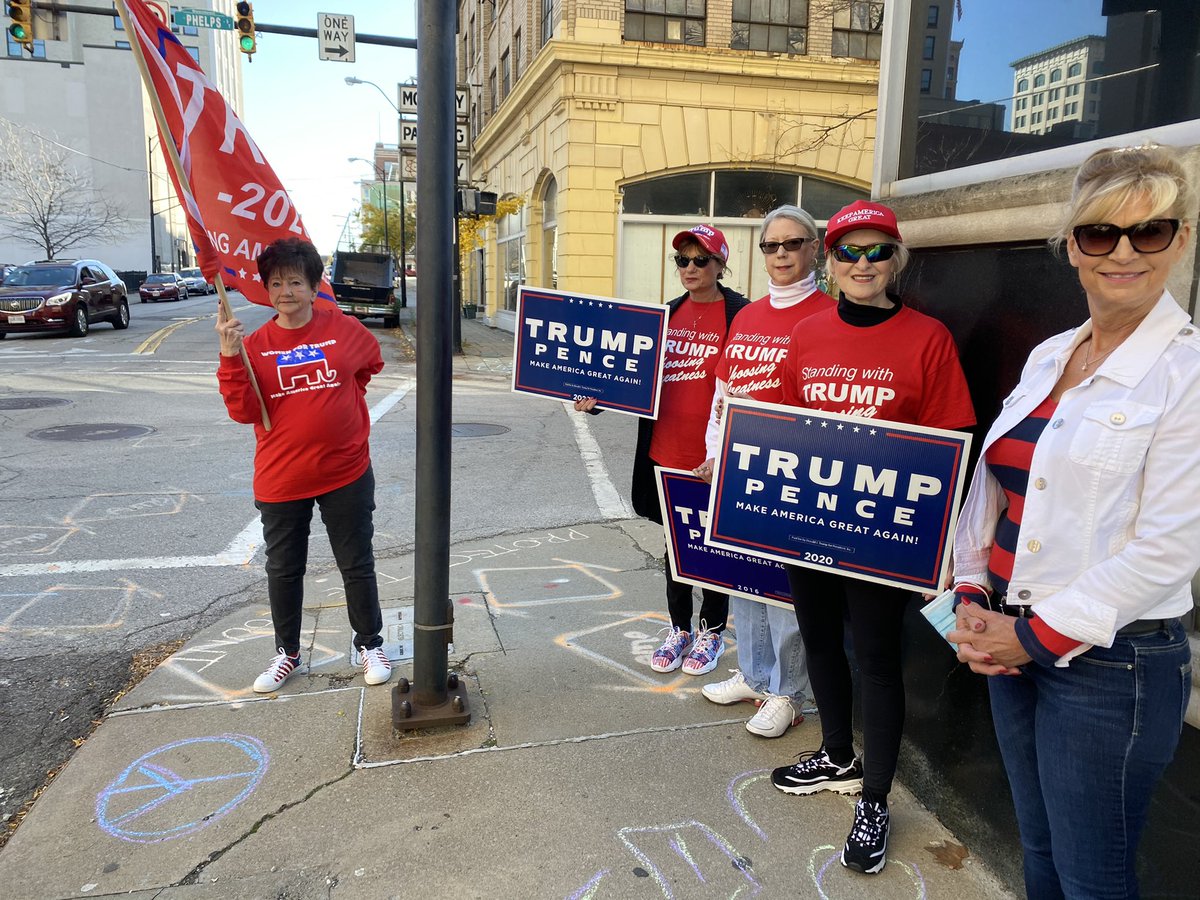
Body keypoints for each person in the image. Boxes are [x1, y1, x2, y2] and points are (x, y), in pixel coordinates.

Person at [948, 145, 1199, 900]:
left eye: (1149, 231)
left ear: (1180, 239)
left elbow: (1170, 548)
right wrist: (971, 594)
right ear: (1071, 249)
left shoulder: (1186, 374)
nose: (1123, 252)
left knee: (1094, 879)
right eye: (1099, 234)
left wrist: (1028, 638)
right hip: (1007, 641)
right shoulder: (1052, 354)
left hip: (1110, 666)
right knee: (1041, 852)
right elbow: (992, 486)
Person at [772, 200, 975, 875]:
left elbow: (953, 441)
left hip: (884, 533)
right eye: (848, 253)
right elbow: (780, 427)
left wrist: (940, 538)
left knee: (879, 661)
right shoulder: (805, 334)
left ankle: (877, 798)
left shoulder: (928, 337)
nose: (863, 265)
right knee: (821, 639)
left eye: (877, 252)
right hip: (810, 521)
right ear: (828, 263)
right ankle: (836, 751)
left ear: (897, 261)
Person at [215, 237, 393, 693]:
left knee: (356, 563)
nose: (285, 291)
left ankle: (369, 643)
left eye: (295, 281)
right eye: (276, 283)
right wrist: (231, 355)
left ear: (314, 287)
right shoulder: (254, 345)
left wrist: (341, 408)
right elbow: (243, 411)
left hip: (345, 471)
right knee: (284, 569)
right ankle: (287, 653)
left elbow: (369, 365)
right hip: (282, 476)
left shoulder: (343, 328)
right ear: (267, 290)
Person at [576, 225, 748, 676]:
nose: (690, 268)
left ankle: (711, 631)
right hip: (664, 450)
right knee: (676, 546)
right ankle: (679, 627)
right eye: (682, 261)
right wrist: (596, 399)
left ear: (719, 264)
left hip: (714, 458)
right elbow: (631, 375)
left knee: (713, 547)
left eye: (701, 260)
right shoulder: (664, 316)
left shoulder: (742, 316)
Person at [696, 204, 834, 739]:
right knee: (745, 580)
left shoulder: (828, 315)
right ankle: (755, 676)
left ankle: (789, 692)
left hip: (793, 471)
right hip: (738, 465)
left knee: (785, 591)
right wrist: (714, 451)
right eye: (771, 246)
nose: (781, 254)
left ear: (814, 249)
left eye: (792, 243)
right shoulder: (748, 316)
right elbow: (723, 393)